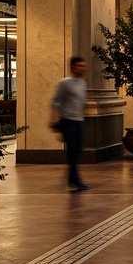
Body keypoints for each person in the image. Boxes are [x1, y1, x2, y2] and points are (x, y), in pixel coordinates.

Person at [50, 55, 89, 191]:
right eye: (80, 66)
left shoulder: (83, 83)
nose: (83, 69)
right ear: (73, 67)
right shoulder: (65, 83)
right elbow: (55, 101)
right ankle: (74, 181)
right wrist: (55, 118)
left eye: (84, 66)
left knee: (78, 150)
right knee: (72, 151)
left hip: (80, 120)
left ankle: (72, 179)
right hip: (68, 121)